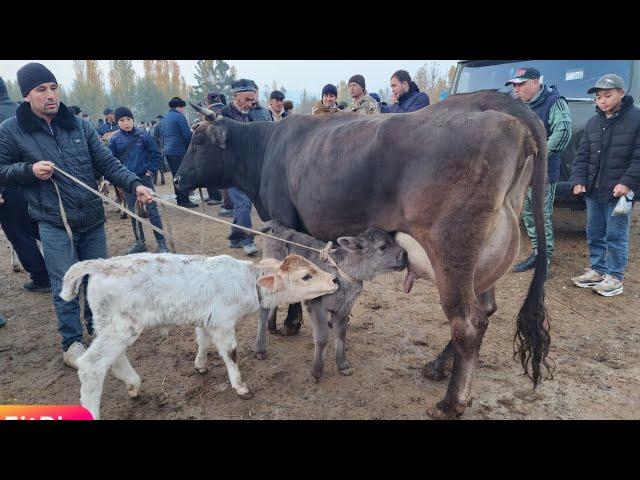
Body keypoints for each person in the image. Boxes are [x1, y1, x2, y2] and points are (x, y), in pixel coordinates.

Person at [0, 63, 155, 368]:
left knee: (96, 282)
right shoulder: (11, 130)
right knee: (66, 284)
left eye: (54, 87)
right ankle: (71, 343)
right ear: (27, 95)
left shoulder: (79, 126)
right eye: (41, 90)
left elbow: (108, 163)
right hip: (54, 222)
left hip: (92, 218)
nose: (50, 95)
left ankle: (97, 330)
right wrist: (29, 171)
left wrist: (135, 185)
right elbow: (2, 171)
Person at [570, 74, 640, 297]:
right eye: (599, 97)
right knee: (595, 232)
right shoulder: (593, 123)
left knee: (616, 234)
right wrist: (579, 180)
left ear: (621, 93)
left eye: (608, 95)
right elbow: (582, 156)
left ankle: (615, 277)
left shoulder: (636, 119)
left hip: (619, 192)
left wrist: (627, 183)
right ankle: (598, 270)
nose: (602, 101)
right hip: (594, 189)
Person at [507, 67, 573, 272]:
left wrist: (537, 154)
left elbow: (563, 132)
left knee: (540, 215)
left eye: (521, 84)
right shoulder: (518, 106)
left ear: (535, 82)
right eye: (514, 85)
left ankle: (545, 259)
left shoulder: (554, 102)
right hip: (523, 172)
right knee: (527, 213)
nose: (516, 89)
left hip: (543, 172)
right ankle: (537, 253)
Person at [0, 76, 50, 293]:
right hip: (38, 178)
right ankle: (65, 264)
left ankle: (41, 278)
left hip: (9, 184)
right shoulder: (23, 109)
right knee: (43, 226)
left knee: (19, 233)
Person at [108, 106, 168, 254]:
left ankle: (161, 242)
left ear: (133, 120)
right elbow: (112, 160)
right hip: (127, 181)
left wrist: (151, 171)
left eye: (128, 119)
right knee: (134, 212)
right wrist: (118, 181)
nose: (126, 123)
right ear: (117, 122)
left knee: (152, 211)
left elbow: (155, 153)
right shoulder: (114, 140)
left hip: (144, 179)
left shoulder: (144, 136)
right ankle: (140, 242)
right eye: (122, 120)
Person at [219, 79, 262, 255]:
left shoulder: (250, 116)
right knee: (243, 203)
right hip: (230, 169)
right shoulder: (222, 116)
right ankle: (247, 240)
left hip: (248, 169)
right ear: (235, 96)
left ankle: (235, 237)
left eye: (252, 100)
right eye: (246, 99)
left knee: (242, 205)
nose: (250, 103)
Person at [161, 96, 198, 208]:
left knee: (175, 175)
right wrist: (191, 147)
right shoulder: (180, 117)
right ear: (179, 107)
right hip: (179, 150)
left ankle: (180, 198)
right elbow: (187, 135)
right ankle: (183, 200)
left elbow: (162, 134)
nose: (183, 110)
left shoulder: (165, 118)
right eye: (182, 107)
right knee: (182, 175)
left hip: (168, 151)